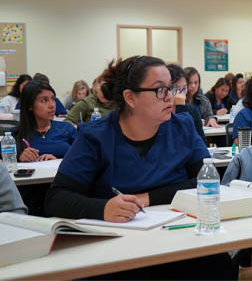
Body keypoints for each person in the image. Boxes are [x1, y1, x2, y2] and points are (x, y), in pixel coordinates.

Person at [44, 56, 237, 280]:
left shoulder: (182, 127)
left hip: (177, 238)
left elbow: (207, 181)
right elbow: (56, 198)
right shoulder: (95, 136)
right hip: (117, 245)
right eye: (159, 90)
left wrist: (146, 198)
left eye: (171, 89)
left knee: (220, 263)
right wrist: (103, 208)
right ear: (130, 98)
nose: (170, 97)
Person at [14, 81, 77, 162]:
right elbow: (5, 163)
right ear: (30, 106)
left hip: (62, 173)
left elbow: (83, 156)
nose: (52, 105)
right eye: (44, 100)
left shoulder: (67, 128)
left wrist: (58, 161)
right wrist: (18, 157)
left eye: (53, 99)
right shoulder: (15, 135)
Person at [166, 64, 206, 144]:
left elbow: (202, 142)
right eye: (177, 89)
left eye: (184, 88)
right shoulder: (162, 112)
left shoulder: (192, 111)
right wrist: (180, 107)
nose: (181, 93)